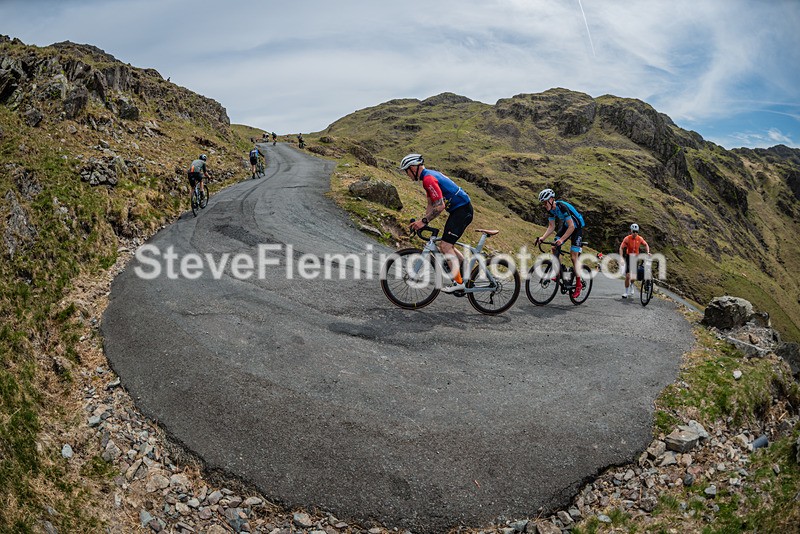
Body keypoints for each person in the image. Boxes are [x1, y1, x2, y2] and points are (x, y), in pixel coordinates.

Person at [401, 153, 473, 293]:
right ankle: (465, 268)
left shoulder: (428, 179)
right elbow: (431, 203)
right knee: (446, 245)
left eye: (406, 171)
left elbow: (440, 207)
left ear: (413, 168)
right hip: (459, 210)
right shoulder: (427, 177)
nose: (407, 175)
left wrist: (424, 222)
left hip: (462, 210)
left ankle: (459, 283)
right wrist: (423, 221)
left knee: (446, 246)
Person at [534, 188, 586, 299]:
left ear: (552, 199)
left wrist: (562, 240)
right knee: (554, 247)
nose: (544, 205)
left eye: (545, 202)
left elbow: (572, 227)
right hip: (567, 226)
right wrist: (542, 238)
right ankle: (557, 272)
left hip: (577, 228)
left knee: (573, 256)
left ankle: (578, 285)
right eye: (542, 203)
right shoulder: (550, 210)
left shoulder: (562, 207)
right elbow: (551, 226)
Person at [618, 223, 651, 298]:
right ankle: (626, 292)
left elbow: (646, 245)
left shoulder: (640, 238)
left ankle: (631, 285)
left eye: (636, 232)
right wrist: (621, 257)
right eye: (633, 231)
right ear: (631, 231)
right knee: (627, 276)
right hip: (628, 257)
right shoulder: (627, 238)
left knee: (633, 277)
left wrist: (648, 252)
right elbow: (621, 248)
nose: (635, 233)